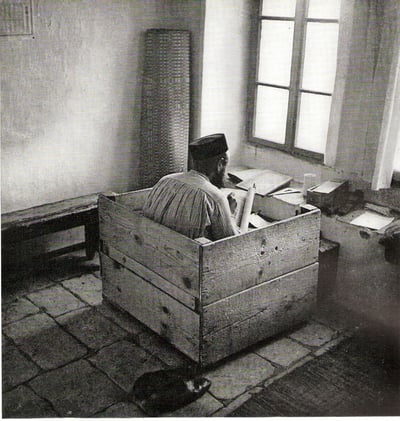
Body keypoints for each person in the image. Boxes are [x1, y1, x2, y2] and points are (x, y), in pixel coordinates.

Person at [142, 133, 239, 241]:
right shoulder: (215, 197)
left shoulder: (165, 180)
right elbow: (232, 243)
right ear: (220, 164)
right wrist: (230, 213)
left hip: (150, 244)